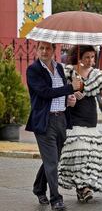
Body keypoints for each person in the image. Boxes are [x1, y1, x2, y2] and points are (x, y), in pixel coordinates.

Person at [58, 45, 102, 202]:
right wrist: (71, 92)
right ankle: (83, 187)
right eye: (87, 57)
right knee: (79, 151)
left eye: (93, 57)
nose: (90, 60)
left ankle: (83, 188)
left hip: (90, 118)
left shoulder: (96, 75)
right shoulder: (68, 72)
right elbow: (60, 91)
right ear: (79, 57)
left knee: (91, 154)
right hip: (73, 118)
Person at [26, 41, 81, 210]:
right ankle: (56, 199)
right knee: (51, 162)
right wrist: (69, 88)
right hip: (44, 121)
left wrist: (69, 99)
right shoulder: (33, 70)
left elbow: (61, 94)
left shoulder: (59, 68)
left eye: (47, 48)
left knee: (53, 159)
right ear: (37, 50)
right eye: (41, 48)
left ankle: (38, 187)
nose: (44, 51)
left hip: (61, 119)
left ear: (53, 50)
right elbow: (45, 93)